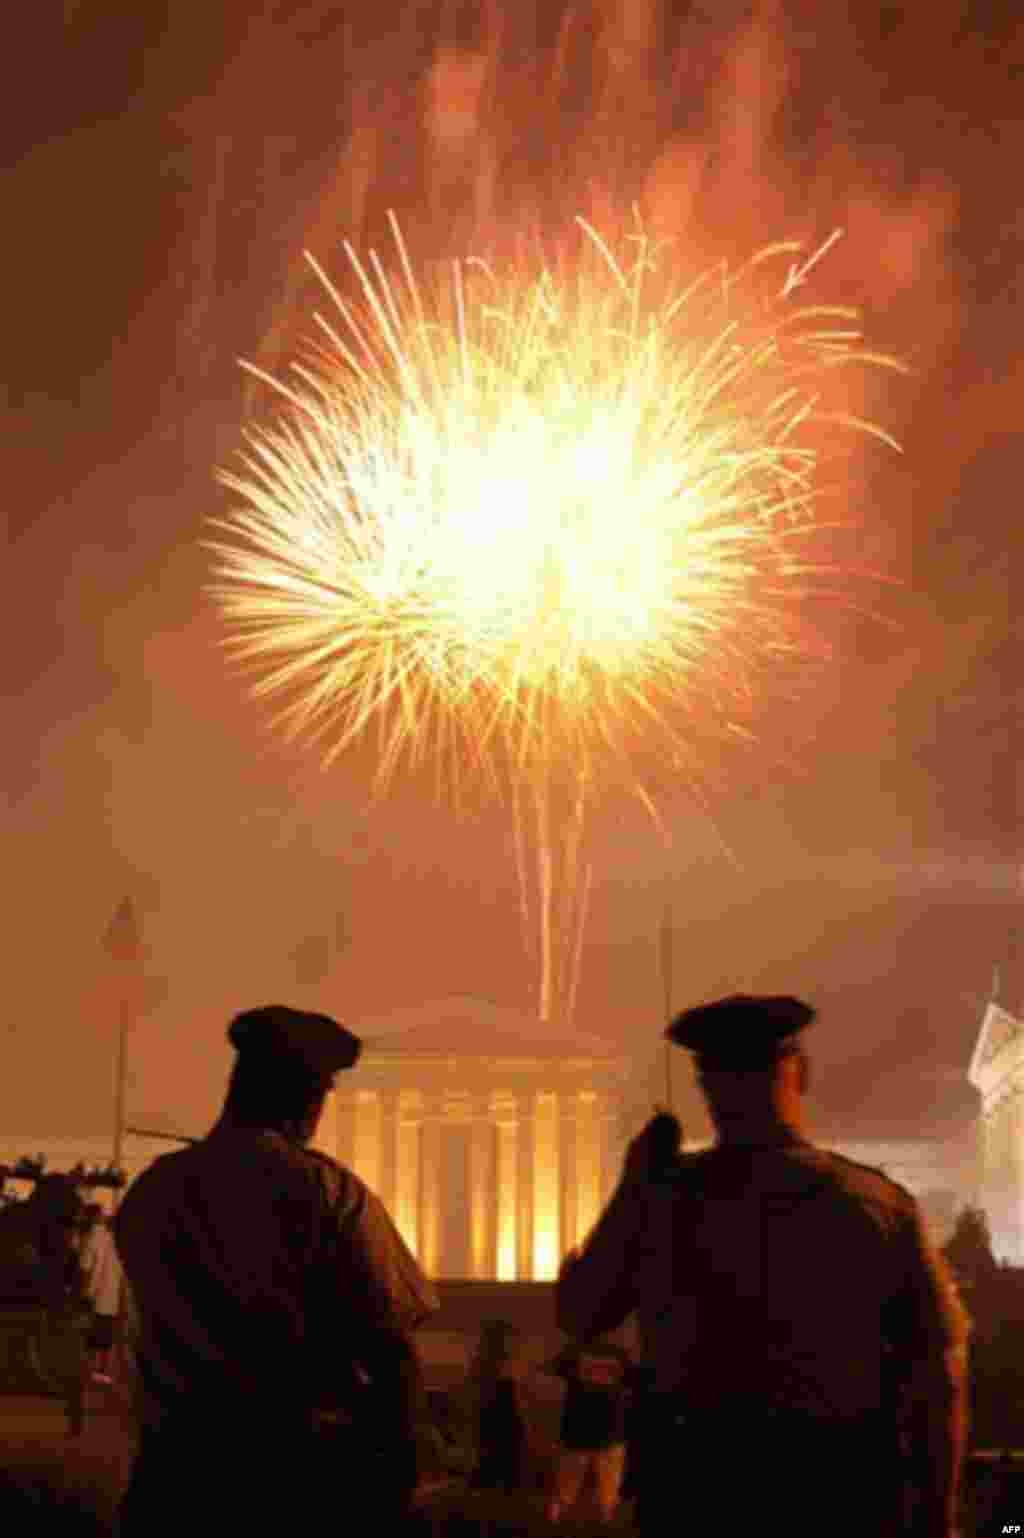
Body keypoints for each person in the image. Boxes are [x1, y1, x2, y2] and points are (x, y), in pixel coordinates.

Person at [555, 994, 969, 1538]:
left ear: (706, 1088)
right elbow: (939, 1373)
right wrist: (939, 1518)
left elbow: (583, 1311)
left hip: (696, 1497)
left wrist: (632, 1187)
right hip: (839, 1497)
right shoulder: (879, 1206)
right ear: (801, 1072)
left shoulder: (663, 1200)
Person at [113, 1004, 439, 1534]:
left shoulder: (153, 1191)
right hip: (297, 1479)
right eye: (323, 1091)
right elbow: (391, 1345)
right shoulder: (329, 1192)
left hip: (175, 1476)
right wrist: (399, 1472)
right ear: (303, 1095)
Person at [543, 1338, 633, 1524]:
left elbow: (552, 1369)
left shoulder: (575, 1350)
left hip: (578, 1428)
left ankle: (557, 1515)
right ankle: (606, 1518)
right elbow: (631, 1381)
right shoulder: (620, 1354)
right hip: (609, 1428)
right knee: (608, 1483)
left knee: (568, 1479)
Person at [466, 1319, 532, 1495]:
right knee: (508, 1467)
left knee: (490, 1463)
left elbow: (474, 1392)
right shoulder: (505, 1364)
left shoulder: (481, 1362)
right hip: (504, 1419)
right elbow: (515, 1398)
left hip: (489, 1417)